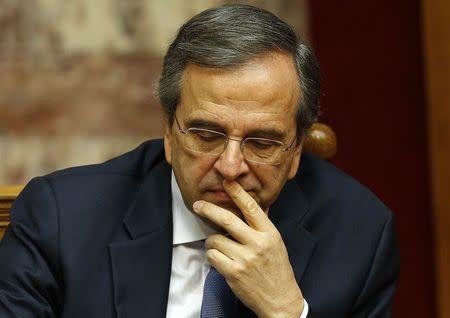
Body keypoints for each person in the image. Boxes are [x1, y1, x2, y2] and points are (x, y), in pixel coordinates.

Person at [0, 4, 399, 318]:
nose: (230, 166)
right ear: (170, 135)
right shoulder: (62, 219)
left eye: (261, 143)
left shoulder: (358, 236)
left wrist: (286, 312)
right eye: (207, 136)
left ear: (296, 152)